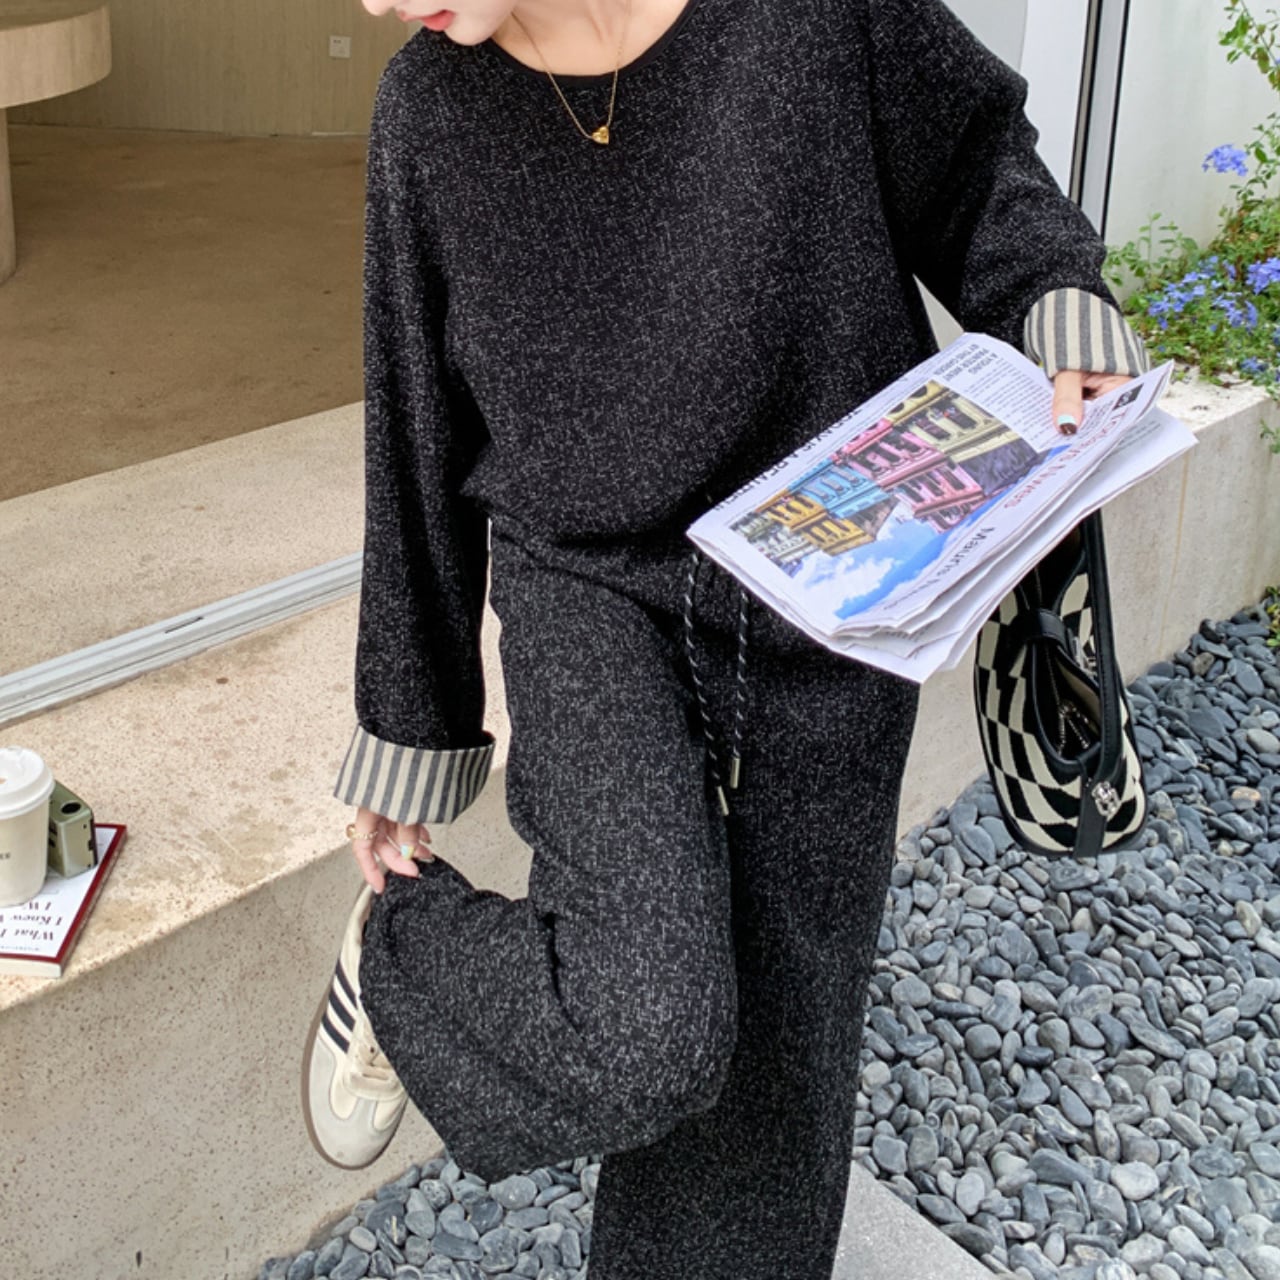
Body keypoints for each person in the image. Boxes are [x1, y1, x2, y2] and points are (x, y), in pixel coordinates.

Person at [301, 0, 1151, 1276]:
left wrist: (1054, 300)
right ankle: (399, 955)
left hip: (832, 574)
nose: (374, 4)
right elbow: (415, 419)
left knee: (779, 1043)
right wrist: (408, 726)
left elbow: (974, 159)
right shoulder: (426, 108)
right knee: (645, 1025)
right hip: (586, 585)